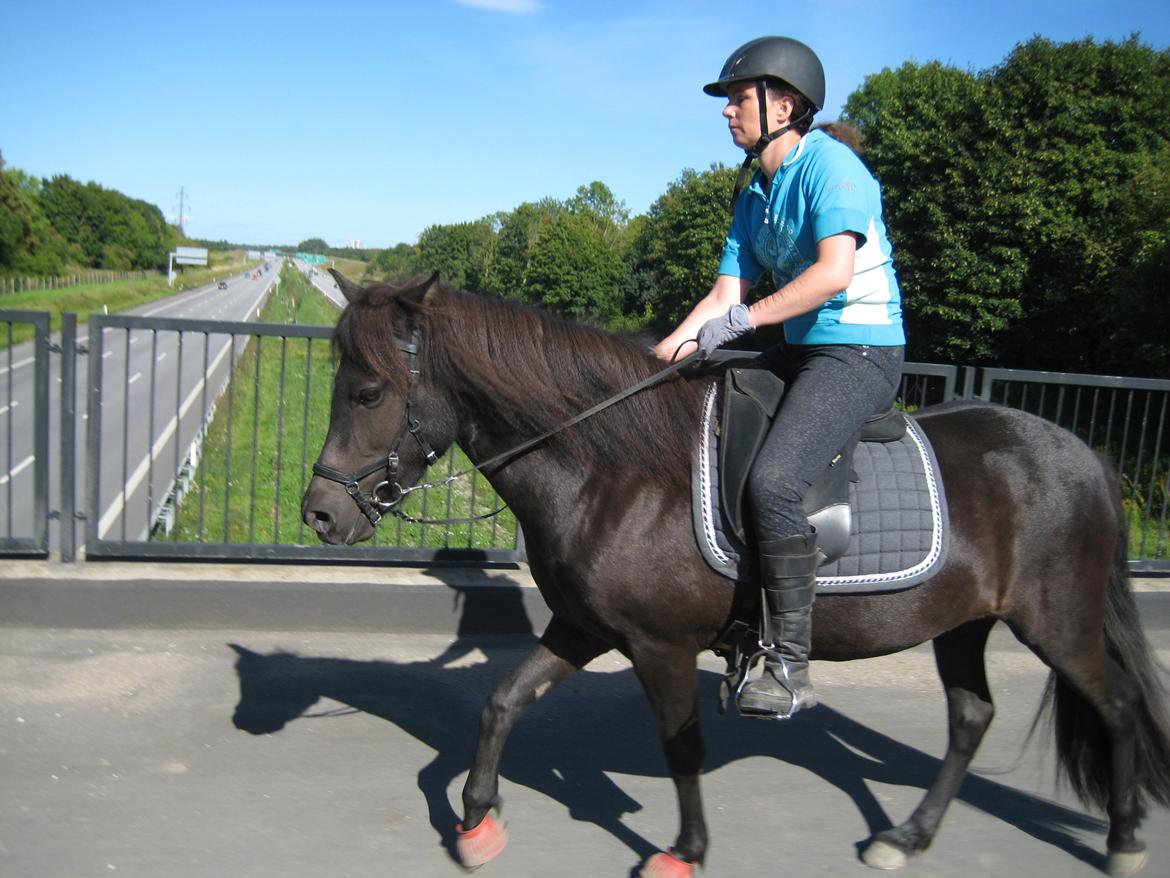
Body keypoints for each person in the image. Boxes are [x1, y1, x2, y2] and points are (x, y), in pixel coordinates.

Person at [655, 36, 905, 719]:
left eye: (739, 98)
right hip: (799, 351)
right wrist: (655, 362)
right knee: (701, 424)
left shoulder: (834, 168)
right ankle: (736, 616)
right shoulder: (754, 193)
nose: (728, 111)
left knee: (773, 481)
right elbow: (721, 298)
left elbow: (832, 274)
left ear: (784, 104)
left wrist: (742, 324)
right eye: (730, 100)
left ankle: (788, 661)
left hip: (859, 353)